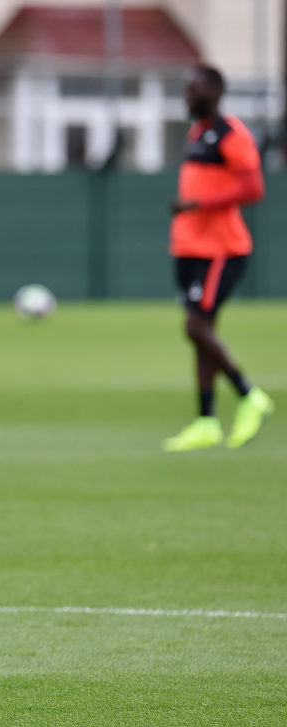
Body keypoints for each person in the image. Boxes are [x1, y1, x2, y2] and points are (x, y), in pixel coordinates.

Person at [163, 63, 273, 452]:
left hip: (220, 250)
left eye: (192, 88)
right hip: (191, 248)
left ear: (213, 91)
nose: (186, 94)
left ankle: (250, 395)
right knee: (202, 334)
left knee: (195, 329)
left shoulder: (232, 134)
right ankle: (207, 420)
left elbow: (254, 187)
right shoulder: (197, 133)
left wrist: (198, 204)